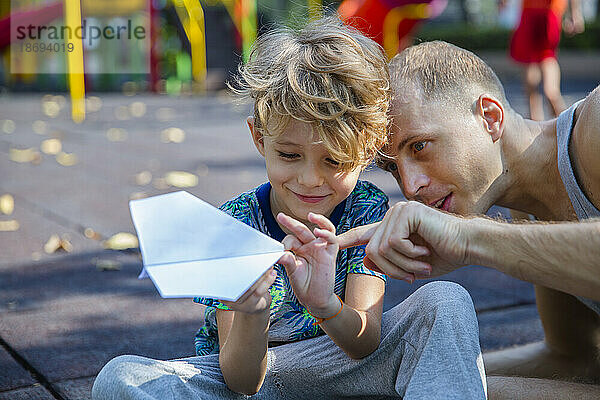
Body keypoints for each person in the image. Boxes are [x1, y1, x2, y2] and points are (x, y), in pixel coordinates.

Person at [91, 19, 487, 400]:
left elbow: (364, 343)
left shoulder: (364, 208)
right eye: (289, 154)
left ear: (366, 150)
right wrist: (253, 311)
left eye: (333, 161)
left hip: (337, 367)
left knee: (445, 301)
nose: (311, 179)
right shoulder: (235, 224)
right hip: (252, 382)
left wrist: (325, 306)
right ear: (259, 138)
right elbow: (241, 381)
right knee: (120, 378)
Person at [334, 40, 600, 397]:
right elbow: (574, 357)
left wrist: (470, 239)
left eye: (419, 147)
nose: (411, 187)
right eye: (393, 169)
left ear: (490, 117)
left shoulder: (594, 128)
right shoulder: (528, 210)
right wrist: (382, 376)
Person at [507, 0, 585, 121]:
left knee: (551, 92)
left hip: (548, 13)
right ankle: (537, 127)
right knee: (531, 82)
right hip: (528, 12)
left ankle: (567, 126)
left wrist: (575, 13)